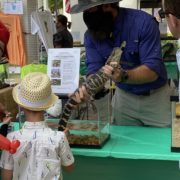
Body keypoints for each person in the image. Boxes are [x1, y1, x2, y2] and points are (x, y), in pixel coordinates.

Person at [70, 0, 172, 127]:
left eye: (89, 10)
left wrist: (123, 75)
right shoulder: (91, 35)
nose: (86, 16)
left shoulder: (143, 23)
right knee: (123, 143)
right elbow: (94, 70)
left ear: (107, 5)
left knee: (162, 143)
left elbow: (153, 70)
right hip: (124, 99)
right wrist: (88, 89)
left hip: (156, 99)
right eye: (84, 11)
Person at [0, 72, 74, 180]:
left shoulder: (11, 138)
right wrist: (64, 140)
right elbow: (69, 168)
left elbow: (6, 177)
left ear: (20, 104)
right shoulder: (59, 137)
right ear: (48, 105)